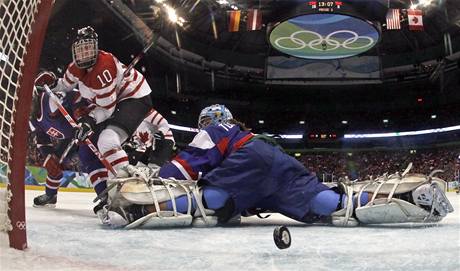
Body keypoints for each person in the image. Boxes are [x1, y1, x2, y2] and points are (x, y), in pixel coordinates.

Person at [102, 104, 454, 228]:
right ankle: (413, 196)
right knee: (327, 204)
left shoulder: (214, 130)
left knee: (208, 201)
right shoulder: (246, 132)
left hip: (245, 166)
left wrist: (154, 179)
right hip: (276, 163)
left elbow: (183, 169)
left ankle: (140, 205)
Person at [50, 26, 152, 178]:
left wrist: (89, 119)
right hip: (112, 101)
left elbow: (106, 109)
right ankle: (113, 190)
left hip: (134, 97)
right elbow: (64, 86)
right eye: (81, 49)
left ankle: (126, 183)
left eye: (88, 48)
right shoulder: (74, 68)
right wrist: (52, 83)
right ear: (74, 51)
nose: (85, 53)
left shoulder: (103, 68)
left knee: (107, 140)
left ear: (96, 48)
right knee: (91, 145)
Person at [30, 71, 108, 208]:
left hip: (88, 126)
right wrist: (47, 156)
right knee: (54, 163)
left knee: (87, 157)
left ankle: (105, 198)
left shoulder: (50, 101)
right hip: (72, 137)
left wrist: (79, 114)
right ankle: (50, 195)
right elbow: (42, 140)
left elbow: (75, 95)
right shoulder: (33, 120)